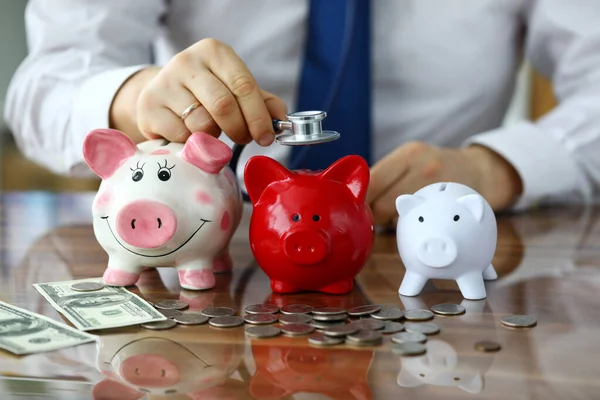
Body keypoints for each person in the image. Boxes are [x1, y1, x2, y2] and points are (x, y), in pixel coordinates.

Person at [4, 0, 600, 227]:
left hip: (440, 235)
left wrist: (501, 167)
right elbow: (40, 92)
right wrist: (136, 97)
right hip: (209, 237)